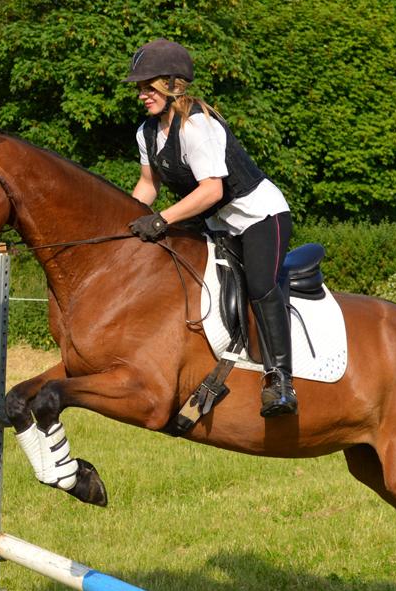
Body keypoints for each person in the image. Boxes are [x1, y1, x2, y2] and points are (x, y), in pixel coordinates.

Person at [123, 38, 297, 418]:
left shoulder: (195, 125)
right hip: (219, 225)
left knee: (260, 285)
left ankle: (280, 380)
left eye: (147, 86)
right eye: (139, 87)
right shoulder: (146, 133)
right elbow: (148, 186)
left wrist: (162, 218)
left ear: (173, 84)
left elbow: (212, 189)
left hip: (260, 217)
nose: (141, 94)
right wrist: (127, 223)